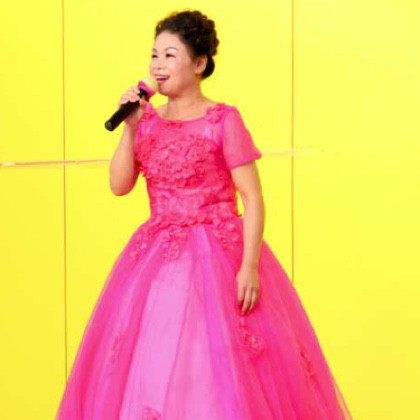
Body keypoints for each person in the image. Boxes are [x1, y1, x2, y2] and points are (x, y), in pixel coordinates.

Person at [56, 9, 352, 420]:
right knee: (156, 360)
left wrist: (249, 266)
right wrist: (130, 127)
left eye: (169, 56)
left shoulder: (222, 120)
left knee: (215, 365)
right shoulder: (146, 122)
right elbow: (119, 185)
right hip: (156, 263)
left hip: (218, 257)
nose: (158, 66)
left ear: (199, 64)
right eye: (154, 55)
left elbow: (253, 198)